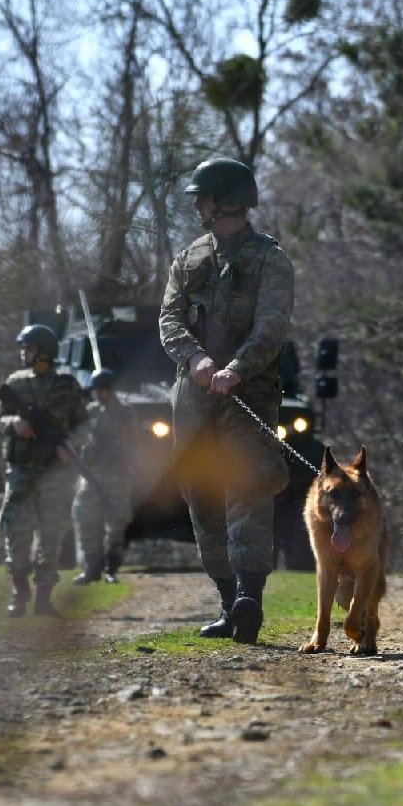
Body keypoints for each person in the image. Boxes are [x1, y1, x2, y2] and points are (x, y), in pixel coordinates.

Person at [159, 157, 293, 645]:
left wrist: (237, 368)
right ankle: (226, 602)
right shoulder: (189, 258)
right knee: (200, 493)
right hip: (193, 397)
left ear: (226, 201)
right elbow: (169, 317)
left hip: (248, 394)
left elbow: (272, 326)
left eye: (204, 198)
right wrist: (194, 358)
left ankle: (248, 597)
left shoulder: (270, 259)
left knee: (247, 487)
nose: (198, 206)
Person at [0, 323, 87, 617]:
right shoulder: (15, 382)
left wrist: (69, 443)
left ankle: (44, 599)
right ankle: (19, 593)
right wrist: (14, 423)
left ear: (44, 353)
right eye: (23, 348)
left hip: (55, 473)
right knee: (16, 531)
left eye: (30, 348)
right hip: (21, 470)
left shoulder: (67, 385)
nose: (24, 353)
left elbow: (84, 423)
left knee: (52, 534)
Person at [71, 368, 138, 585]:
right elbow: (78, 435)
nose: (98, 393)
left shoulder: (124, 412)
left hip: (117, 473)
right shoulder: (90, 411)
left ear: (109, 389)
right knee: (83, 515)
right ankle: (91, 568)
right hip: (91, 473)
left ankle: (111, 566)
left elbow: (132, 440)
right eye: (96, 390)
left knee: (117, 522)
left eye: (101, 390)